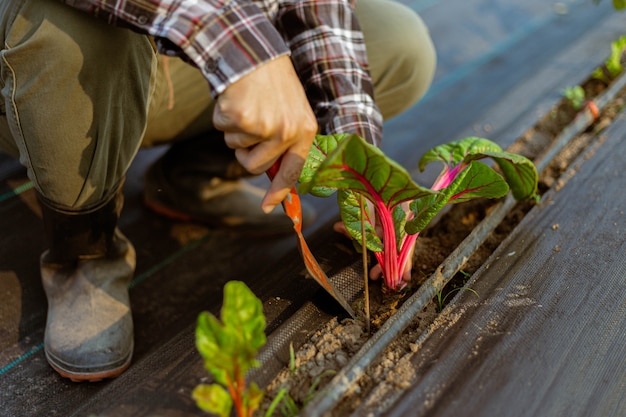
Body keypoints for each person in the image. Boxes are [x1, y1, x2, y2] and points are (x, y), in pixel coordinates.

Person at [0, 0, 435, 381]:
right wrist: (244, 54)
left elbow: (317, 12)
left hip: (173, 70)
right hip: (41, 71)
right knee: (65, 24)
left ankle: (188, 178)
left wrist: (363, 174)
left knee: (398, 44)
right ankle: (84, 253)